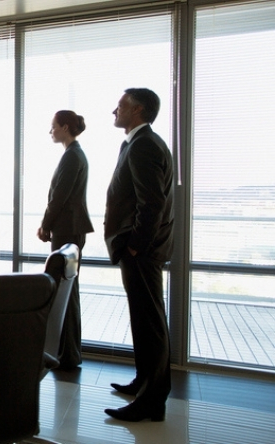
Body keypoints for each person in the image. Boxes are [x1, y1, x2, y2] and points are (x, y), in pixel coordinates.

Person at [104, 88, 174, 422]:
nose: (114, 111)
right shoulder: (138, 142)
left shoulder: (145, 143)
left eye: (120, 106)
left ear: (138, 110)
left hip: (141, 251)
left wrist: (135, 244)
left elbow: (152, 202)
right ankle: (144, 383)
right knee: (144, 321)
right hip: (139, 250)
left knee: (149, 323)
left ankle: (151, 402)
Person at [37, 110, 94, 370]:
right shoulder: (73, 154)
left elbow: (58, 197)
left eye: (53, 127)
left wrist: (45, 225)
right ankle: (69, 352)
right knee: (68, 291)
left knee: (65, 291)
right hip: (70, 228)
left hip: (67, 229)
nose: (51, 131)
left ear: (66, 127)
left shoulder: (72, 157)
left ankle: (68, 354)